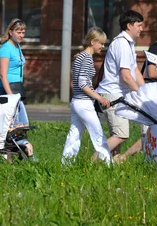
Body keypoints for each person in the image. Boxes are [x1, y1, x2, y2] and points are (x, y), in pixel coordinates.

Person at [96, 9, 145, 163]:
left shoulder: (128, 43)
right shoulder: (122, 44)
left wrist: (146, 91)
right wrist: (141, 94)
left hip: (118, 94)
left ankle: (112, 164)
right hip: (113, 94)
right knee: (120, 134)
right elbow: (126, 76)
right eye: (139, 25)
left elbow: (135, 70)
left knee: (117, 135)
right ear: (129, 26)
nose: (141, 28)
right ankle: (91, 162)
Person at [62, 27, 112, 164]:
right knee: (98, 134)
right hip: (84, 103)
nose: (103, 46)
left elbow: (76, 83)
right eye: (101, 43)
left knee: (74, 135)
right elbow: (83, 84)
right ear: (93, 42)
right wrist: (100, 98)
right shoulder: (86, 59)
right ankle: (108, 165)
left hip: (77, 101)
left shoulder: (81, 56)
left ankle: (66, 164)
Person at [0, 18, 34, 158]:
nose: (21, 35)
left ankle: (13, 155)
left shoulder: (17, 47)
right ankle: (9, 155)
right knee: (11, 126)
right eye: (18, 32)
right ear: (10, 32)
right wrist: (10, 97)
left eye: (23, 32)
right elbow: (3, 75)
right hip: (7, 91)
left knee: (17, 125)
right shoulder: (5, 49)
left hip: (16, 90)